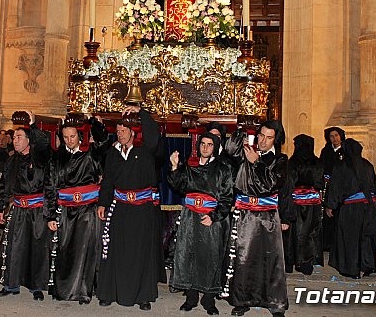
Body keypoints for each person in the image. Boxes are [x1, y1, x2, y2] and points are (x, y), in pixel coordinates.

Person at [96, 105, 166, 311]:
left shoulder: (147, 151)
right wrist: (103, 203)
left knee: (141, 252)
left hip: (142, 209)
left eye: (124, 131)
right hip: (119, 208)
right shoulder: (113, 153)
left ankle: (143, 295)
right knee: (114, 250)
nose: (120, 134)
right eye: (118, 131)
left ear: (134, 132)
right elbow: (108, 180)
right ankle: (109, 292)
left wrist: (141, 112)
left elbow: (154, 137)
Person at [223, 120, 289, 317]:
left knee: (272, 260)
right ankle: (242, 301)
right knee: (244, 259)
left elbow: (270, 184)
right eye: (261, 135)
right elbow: (229, 149)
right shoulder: (246, 153)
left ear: (275, 140)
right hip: (245, 216)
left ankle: (274, 302)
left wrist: (256, 162)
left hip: (268, 217)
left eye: (269, 138)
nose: (263, 141)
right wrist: (241, 130)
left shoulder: (280, 160)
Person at [44, 114, 110, 304]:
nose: (69, 140)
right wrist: (50, 215)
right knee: (66, 250)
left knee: (86, 250)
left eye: (72, 136)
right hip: (65, 211)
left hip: (88, 210)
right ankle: (64, 290)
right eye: (65, 137)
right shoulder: (56, 158)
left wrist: (94, 122)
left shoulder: (90, 154)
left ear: (79, 136)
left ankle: (83, 291)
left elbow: (104, 141)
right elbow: (49, 188)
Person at [168, 132, 234, 315]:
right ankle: (191, 298)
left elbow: (227, 197)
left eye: (209, 144)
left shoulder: (223, 169)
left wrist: (214, 216)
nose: (205, 147)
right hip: (190, 216)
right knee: (188, 255)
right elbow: (179, 186)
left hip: (209, 219)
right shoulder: (191, 166)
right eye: (203, 144)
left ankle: (208, 299)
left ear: (215, 148)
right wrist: (174, 167)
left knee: (210, 257)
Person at [0, 114, 52, 300]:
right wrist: (1, 207)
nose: (15, 141)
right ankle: (10, 285)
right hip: (18, 209)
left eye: (19, 137)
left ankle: (36, 287)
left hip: (37, 211)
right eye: (14, 137)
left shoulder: (40, 158)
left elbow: (43, 143)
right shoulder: (12, 161)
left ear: (29, 140)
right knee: (13, 248)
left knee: (36, 248)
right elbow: (4, 186)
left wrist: (32, 125)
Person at [325, 138, 376, 279]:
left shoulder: (341, 165)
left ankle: (352, 269)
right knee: (367, 237)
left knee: (350, 238)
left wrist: (331, 206)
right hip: (370, 207)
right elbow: (375, 186)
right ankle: (369, 266)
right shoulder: (368, 165)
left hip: (351, 208)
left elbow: (335, 187)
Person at [280, 134, 324, 275]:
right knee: (310, 232)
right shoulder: (317, 163)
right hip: (313, 204)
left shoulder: (292, 162)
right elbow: (320, 183)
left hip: (295, 203)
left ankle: (291, 262)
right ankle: (307, 263)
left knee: (293, 234)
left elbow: (289, 184)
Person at [319, 126, 345, 252]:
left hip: (341, 189)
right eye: (331, 136)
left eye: (336, 135)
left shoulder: (346, 151)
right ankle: (326, 243)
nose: (334, 138)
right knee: (327, 215)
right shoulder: (326, 151)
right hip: (327, 187)